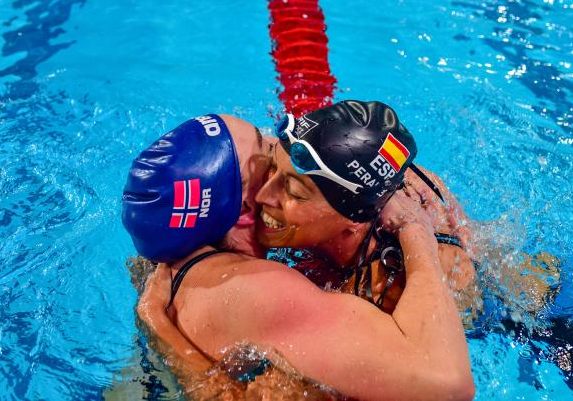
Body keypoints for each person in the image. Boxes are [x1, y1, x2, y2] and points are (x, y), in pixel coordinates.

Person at [123, 104, 475, 400]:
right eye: (268, 167)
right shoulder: (257, 292)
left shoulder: (167, 248)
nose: (265, 196)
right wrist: (418, 232)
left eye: (291, 186)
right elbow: (448, 381)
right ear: (239, 215)